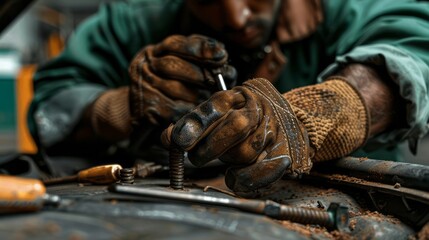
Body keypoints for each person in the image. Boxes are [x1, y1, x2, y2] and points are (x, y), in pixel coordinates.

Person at [28, 0, 429, 194]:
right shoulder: (138, 16)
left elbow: (414, 50)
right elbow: (53, 97)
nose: (235, 18)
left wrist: (326, 111)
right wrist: (117, 108)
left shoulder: (349, 6)